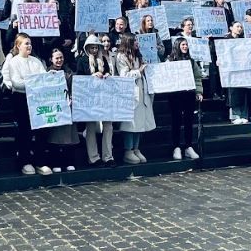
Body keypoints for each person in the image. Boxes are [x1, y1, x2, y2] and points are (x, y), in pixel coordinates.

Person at [1, 33, 48, 175]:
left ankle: (40, 161)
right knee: (24, 131)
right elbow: (16, 82)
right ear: (18, 45)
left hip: (37, 99)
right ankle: (25, 161)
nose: (29, 46)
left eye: (30, 43)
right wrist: (35, 82)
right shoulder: (14, 61)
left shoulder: (36, 61)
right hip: (21, 99)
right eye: (26, 43)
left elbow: (44, 77)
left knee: (40, 130)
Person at [111, 34, 155, 164]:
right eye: (135, 40)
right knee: (131, 123)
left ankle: (136, 148)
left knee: (140, 122)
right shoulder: (121, 57)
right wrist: (139, 71)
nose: (137, 43)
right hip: (131, 93)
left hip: (141, 91)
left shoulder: (137, 56)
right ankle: (128, 150)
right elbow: (124, 75)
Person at [76, 32, 115, 166]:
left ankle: (108, 156)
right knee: (91, 126)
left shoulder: (103, 60)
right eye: (91, 48)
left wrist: (107, 75)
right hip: (89, 98)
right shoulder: (81, 61)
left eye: (96, 48)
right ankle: (93, 157)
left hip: (104, 97)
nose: (94, 50)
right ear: (87, 48)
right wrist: (92, 77)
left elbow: (107, 73)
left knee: (108, 125)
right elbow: (79, 80)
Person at [165, 38, 204, 161]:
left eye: (186, 44)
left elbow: (197, 77)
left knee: (188, 121)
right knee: (176, 120)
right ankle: (176, 146)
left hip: (188, 94)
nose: (185, 46)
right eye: (183, 44)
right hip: (175, 94)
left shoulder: (191, 61)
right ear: (177, 46)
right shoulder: (170, 60)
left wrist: (199, 92)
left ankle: (188, 146)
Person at [43, 47, 79, 171]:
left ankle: (68, 161)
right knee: (55, 137)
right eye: (57, 58)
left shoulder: (68, 72)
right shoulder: (47, 73)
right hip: (55, 109)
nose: (59, 60)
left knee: (69, 137)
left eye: (61, 57)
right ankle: (55, 163)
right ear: (51, 59)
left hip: (68, 107)